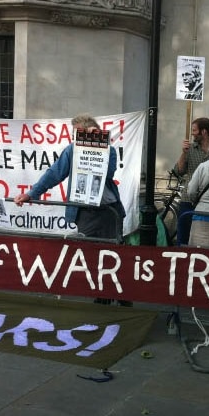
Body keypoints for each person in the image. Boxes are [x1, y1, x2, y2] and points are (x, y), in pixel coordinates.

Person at [13, 114, 128, 305]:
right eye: (75, 135)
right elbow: (54, 174)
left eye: (78, 133)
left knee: (113, 255)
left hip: (109, 211)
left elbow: (109, 172)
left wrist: (97, 146)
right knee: (90, 256)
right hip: (85, 212)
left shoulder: (111, 151)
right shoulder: (71, 150)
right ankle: (101, 297)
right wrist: (31, 194)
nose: (75, 138)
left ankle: (121, 296)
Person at [173, 117, 209, 245]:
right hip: (189, 199)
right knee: (184, 236)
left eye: (194, 130)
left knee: (206, 237)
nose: (192, 133)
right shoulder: (190, 149)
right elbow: (178, 171)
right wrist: (183, 153)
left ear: (204, 132)